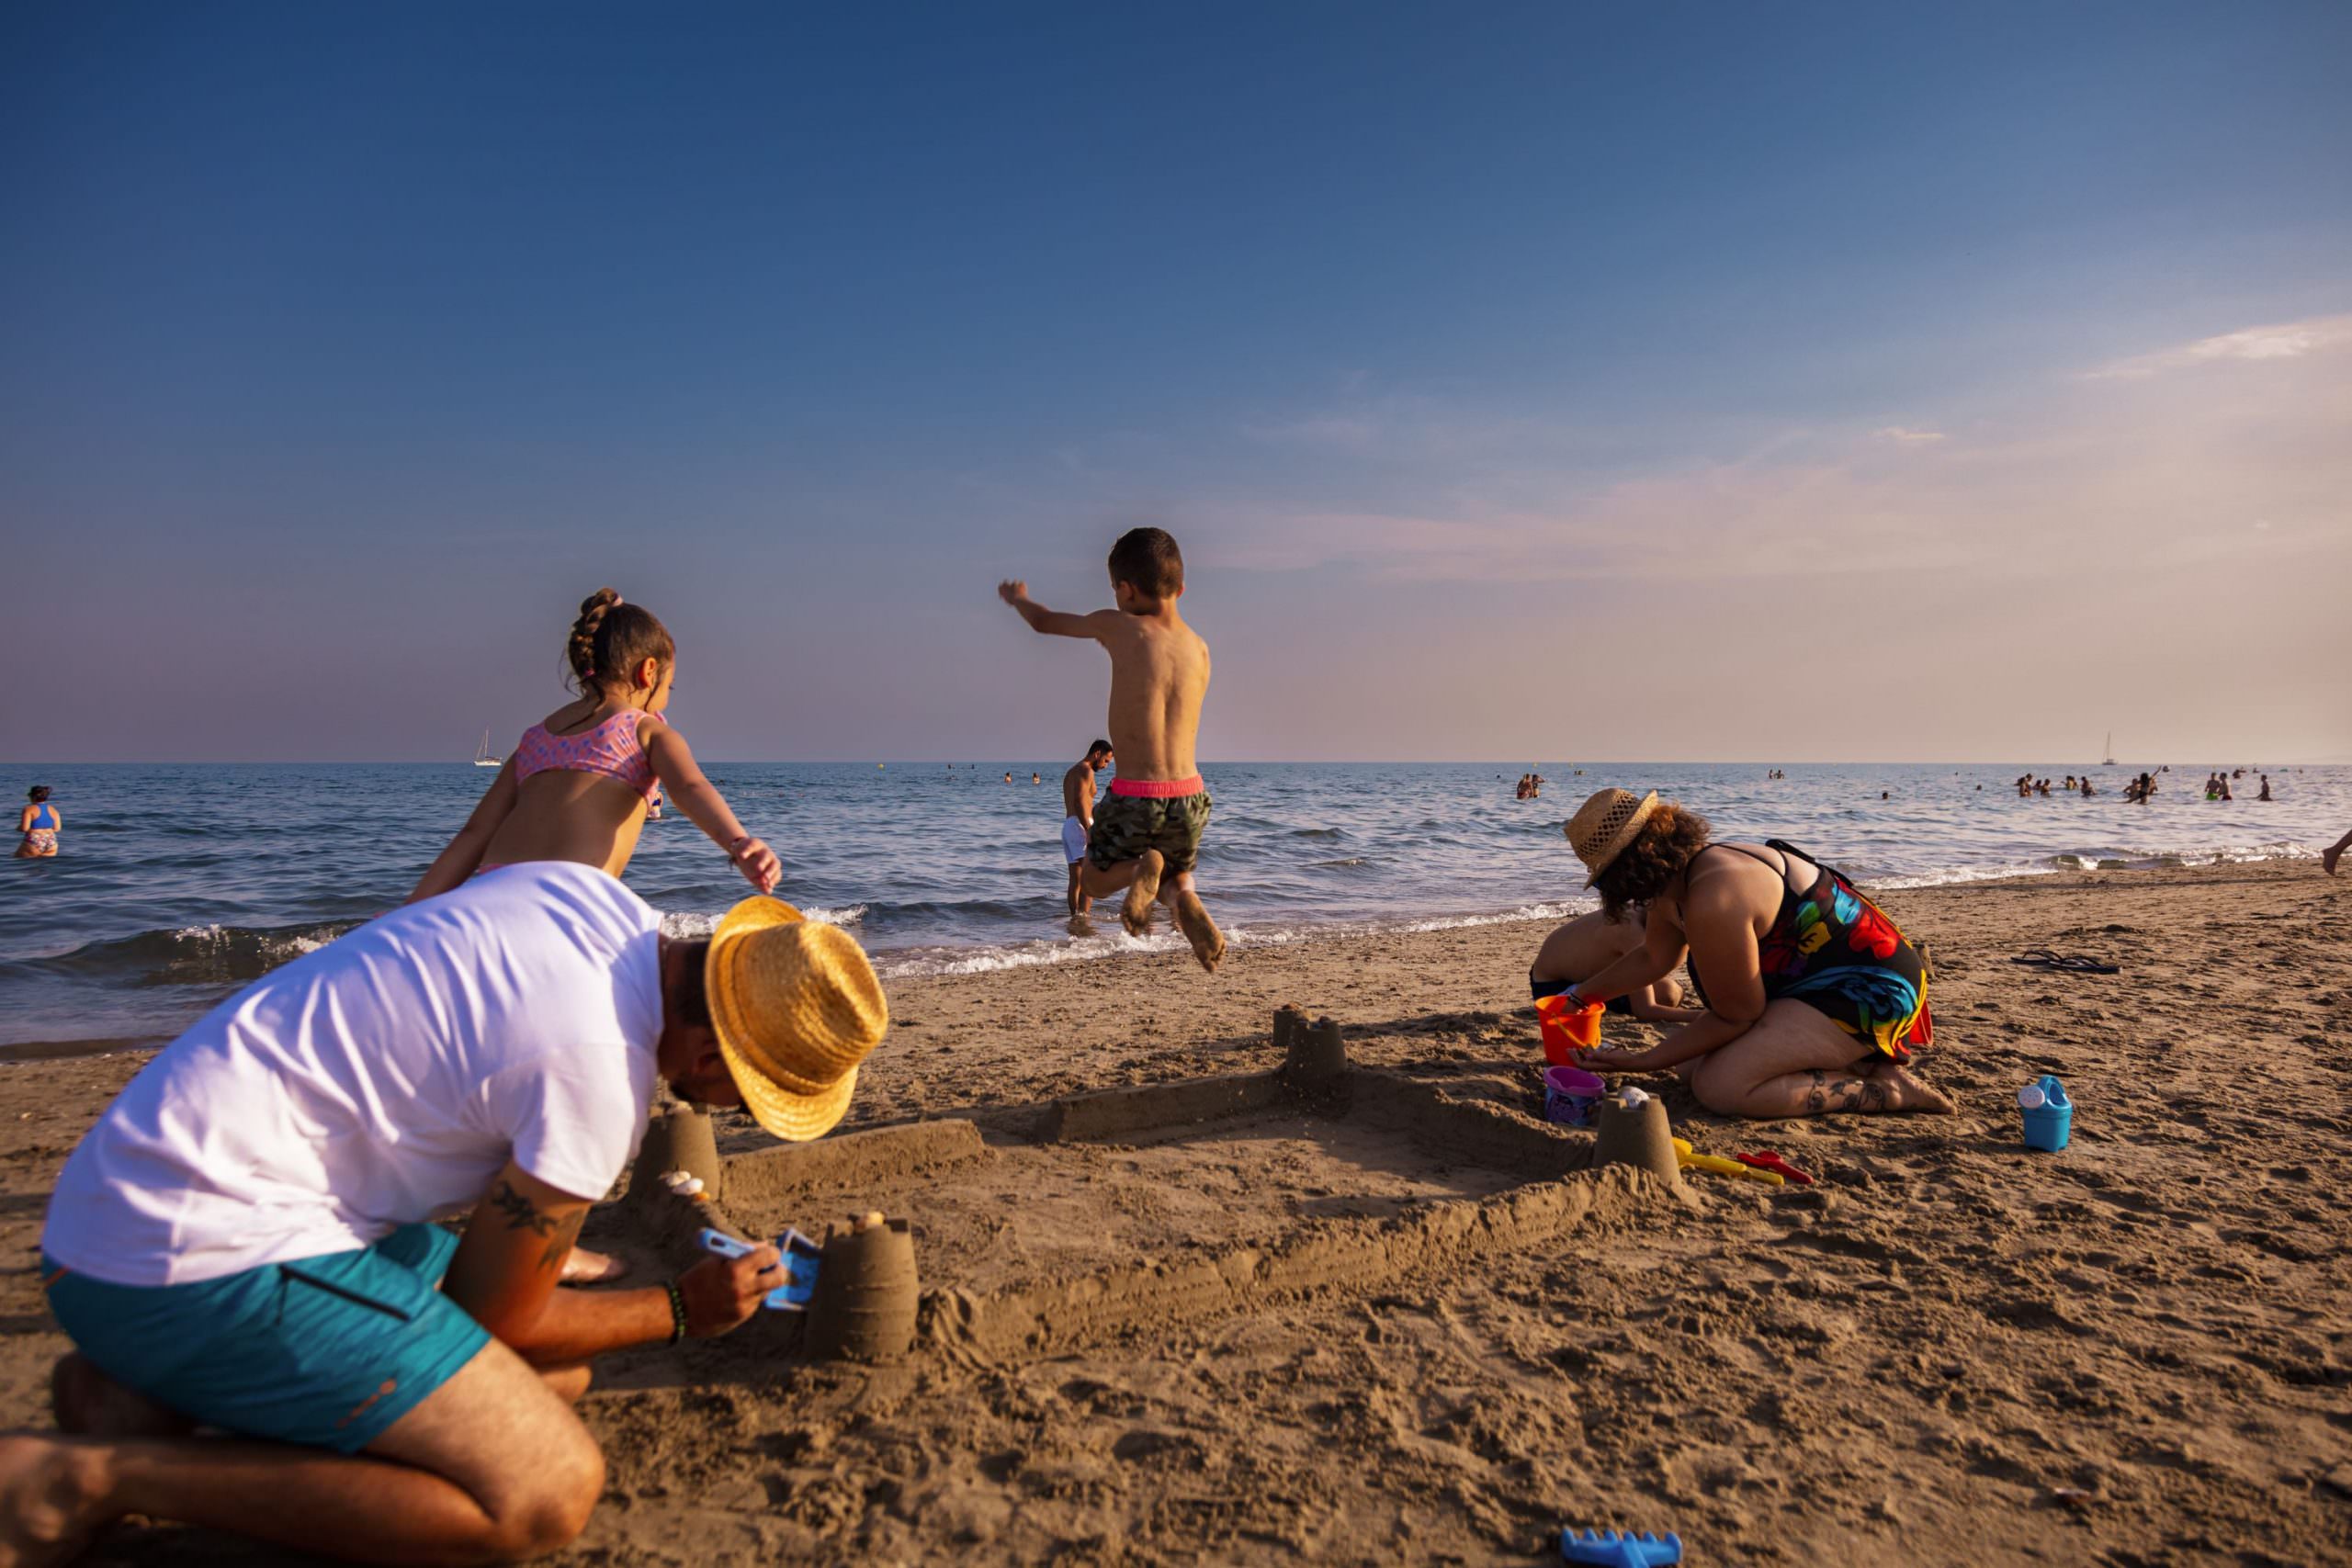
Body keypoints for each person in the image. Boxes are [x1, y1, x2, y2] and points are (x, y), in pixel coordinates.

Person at [0, 862, 888, 1563]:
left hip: (117, 1200)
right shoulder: (598, 1079)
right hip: (183, 1259)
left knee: (556, 1381)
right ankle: (87, 1477)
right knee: (544, 1487)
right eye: (745, 1096)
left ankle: (133, 1396)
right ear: (705, 1050)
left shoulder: (588, 899)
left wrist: (543, 1256)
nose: (727, 1112)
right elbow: (498, 1317)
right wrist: (685, 1309)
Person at [1553, 789, 1953, 1118]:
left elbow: (1738, 1013)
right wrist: (1580, 995)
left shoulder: (1713, 895)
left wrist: (1643, 1060)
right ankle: (1857, 1061)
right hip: (1814, 983)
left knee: (1720, 1086)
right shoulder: (1681, 881)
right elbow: (1655, 958)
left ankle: (1885, 1090)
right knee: (1690, 1066)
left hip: (1869, 989)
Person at [407, 591, 780, 902]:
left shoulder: (535, 739)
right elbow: (690, 788)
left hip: (490, 895)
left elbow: (474, 835)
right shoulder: (647, 731)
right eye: (669, 687)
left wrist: (411, 912)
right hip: (573, 897)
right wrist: (739, 842)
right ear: (648, 671)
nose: (666, 697)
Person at [999, 526, 1223, 971]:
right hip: (1191, 797)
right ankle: (1186, 900)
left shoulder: (1119, 625)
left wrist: (1019, 599)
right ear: (1181, 587)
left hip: (1137, 791)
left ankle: (1142, 867)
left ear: (1125, 589)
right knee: (1177, 876)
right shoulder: (1200, 649)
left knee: (1097, 880)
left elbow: (1045, 623)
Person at [1529, 908, 1690, 1021]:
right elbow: (1646, 1010)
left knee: (1668, 988)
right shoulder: (1631, 931)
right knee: (1668, 993)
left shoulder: (1638, 910)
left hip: (1549, 974)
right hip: (1554, 991)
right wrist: (1701, 1017)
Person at [1061, 740, 1114, 917]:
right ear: (1097, 754)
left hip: (1069, 825)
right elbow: (1079, 802)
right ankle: (1083, 919)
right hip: (1080, 825)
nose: (1106, 766)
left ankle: (1074, 919)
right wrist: (1090, 829)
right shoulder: (1087, 770)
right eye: (1106, 761)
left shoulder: (1071, 772)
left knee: (1075, 879)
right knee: (1090, 877)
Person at [15, 786, 60, 859]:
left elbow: (25, 828)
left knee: (19, 861)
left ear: (33, 797)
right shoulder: (53, 809)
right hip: (51, 840)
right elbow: (57, 829)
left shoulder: (29, 809)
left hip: (34, 839)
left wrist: (17, 828)